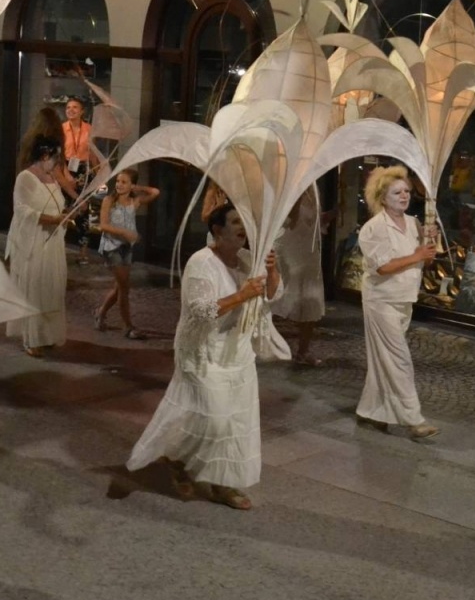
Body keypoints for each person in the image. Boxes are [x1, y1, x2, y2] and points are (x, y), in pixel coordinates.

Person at [126, 202, 282, 511]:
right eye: (235, 222)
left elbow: (272, 295)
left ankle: (222, 483)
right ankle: (177, 457)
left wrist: (272, 271)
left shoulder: (249, 260)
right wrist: (242, 294)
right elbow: (201, 310)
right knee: (215, 418)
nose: (243, 228)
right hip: (202, 352)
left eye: (245, 222)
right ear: (217, 230)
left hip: (237, 352)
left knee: (234, 422)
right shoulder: (201, 262)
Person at [354, 166, 438, 439]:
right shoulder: (373, 229)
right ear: (382, 197)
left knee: (385, 359)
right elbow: (382, 267)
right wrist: (418, 256)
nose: (404, 196)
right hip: (381, 301)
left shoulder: (414, 224)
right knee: (399, 359)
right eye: (397, 192)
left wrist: (430, 247)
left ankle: (372, 410)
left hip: (405, 298)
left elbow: (425, 261)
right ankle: (414, 419)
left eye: (406, 191)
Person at [6, 136, 71, 358]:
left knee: (50, 288)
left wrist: (65, 215)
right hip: (33, 241)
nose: (57, 163)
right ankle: (31, 338)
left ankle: (47, 335)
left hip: (52, 241)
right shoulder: (25, 177)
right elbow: (22, 210)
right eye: (55, 158)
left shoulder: (52, 177)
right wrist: (51, 219)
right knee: (34, 288)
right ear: (44, 156)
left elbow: (57, 204)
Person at [94, 169, 160, 339]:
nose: (119, 185)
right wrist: (125, 232)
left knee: (119, 286)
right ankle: (128, 326)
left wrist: (139, 188)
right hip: (111, 247)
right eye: (118, 181)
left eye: (124, 182)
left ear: (132, 185)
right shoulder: (109, 200)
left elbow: (155, 192)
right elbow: (103, 225)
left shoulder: (134, 201)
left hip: (126, 247)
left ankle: (101, 312)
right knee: (124, 287)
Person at [273, 186, 326, 366]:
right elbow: (290, 221)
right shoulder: (289, 189)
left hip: (309, 252)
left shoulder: (315, 193)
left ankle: (303, 350)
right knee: (278, 297)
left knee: (311, 299)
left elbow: (315, 223)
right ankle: (268, 344)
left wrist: (334, 213)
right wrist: (296, 195)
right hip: (289, 251)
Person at [61, 97, 101, 259]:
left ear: (82, 111)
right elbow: (58, 155)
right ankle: (59, 247)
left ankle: (83, 252)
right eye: (68, 107)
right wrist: (66, 174)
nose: (71, 110)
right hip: (65, 169)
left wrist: (98, 175)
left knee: (83, 210)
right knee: (63, 208)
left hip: (84, 171)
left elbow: (92, 154)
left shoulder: (89, 129)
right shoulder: (61, 129)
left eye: (75, 107)